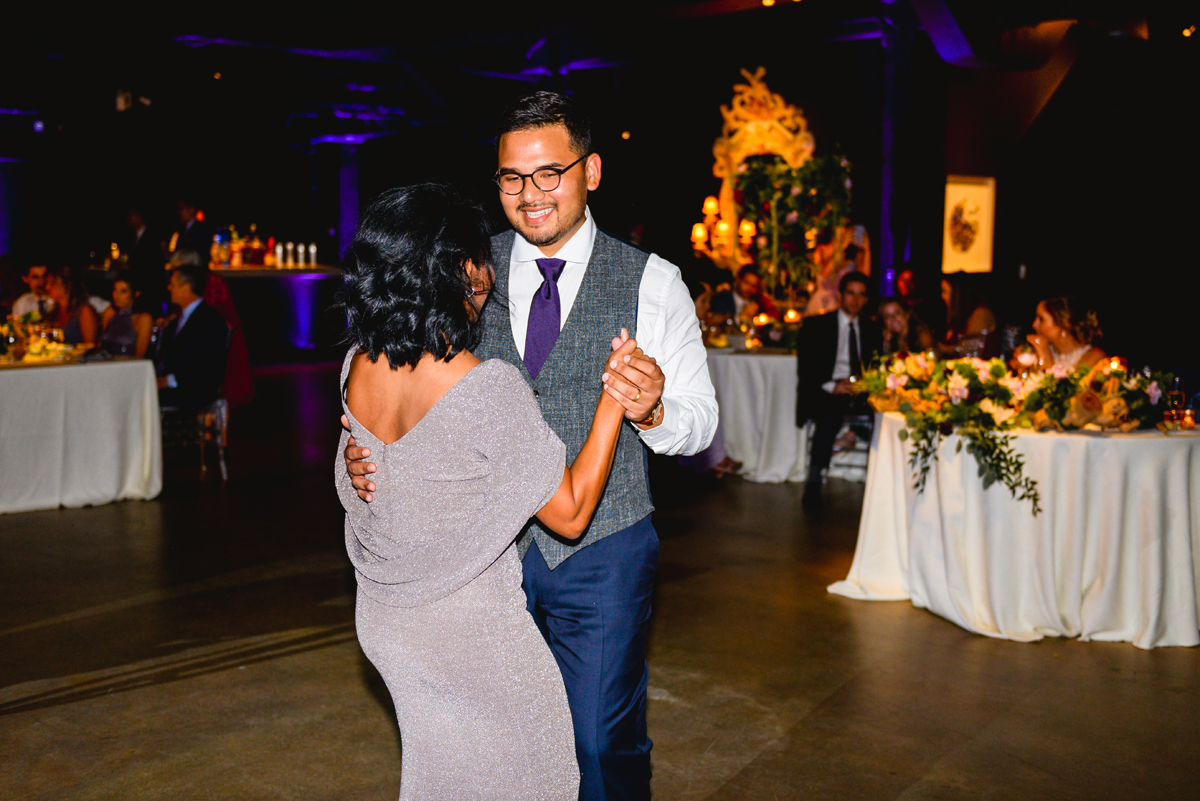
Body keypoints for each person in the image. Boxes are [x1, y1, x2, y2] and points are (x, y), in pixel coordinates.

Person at [343, 91, 718, 800]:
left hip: (600, 548)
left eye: (550, 172)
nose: (530, 193)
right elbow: (403, 379)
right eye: (512, 177)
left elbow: (700, 423)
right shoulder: (465, 270)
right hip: (482, 560)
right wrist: (361, 457)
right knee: (499, 742)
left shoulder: (654, 281)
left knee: (600, 742)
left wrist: (656, 406)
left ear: (592, 170)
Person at [338, 183, 647, 799]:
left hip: (388, 627)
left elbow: (378, 476)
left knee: (440, 778)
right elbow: (571, 512)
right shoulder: (487, 389)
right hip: (472, 636)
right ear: (458, 270)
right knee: (535, 777)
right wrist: (611, 402)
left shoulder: (356, 366)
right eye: (480, 257)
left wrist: (357, 462)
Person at [795, 271, 880, 510]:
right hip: (827, 387)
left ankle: (882, 480)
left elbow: (877, 368)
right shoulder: (817, 324)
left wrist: (862, 385)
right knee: (829, 414)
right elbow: (807, 368)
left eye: (862, 295)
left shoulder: (872, 329)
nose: (855, 300)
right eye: (850, 293)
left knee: (884, 412)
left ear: (867, 299)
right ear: (841, 295)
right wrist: (834, 385)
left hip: (861, 389)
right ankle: (814, 478)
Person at [155, 256, 229, 410]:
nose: (169, 288)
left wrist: (167, 380)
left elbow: (208, 370)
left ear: (186, 288)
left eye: (173, 285)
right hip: (175, 388)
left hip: (192, 393)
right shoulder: (176, 319)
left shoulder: (210, 321)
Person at [1025, 295, 1106, 370]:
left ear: (1063, 324)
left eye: (1041, 319)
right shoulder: (1037, 353)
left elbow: (1070, 385)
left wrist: (1046, 356)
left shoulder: (1094, 358)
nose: (1034, 325)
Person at [938, 272, 998, 358]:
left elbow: (968, 351)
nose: (942, 296)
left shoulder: (980, 314)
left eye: (945, 291)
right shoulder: (960, 317)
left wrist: (937, 347)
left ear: (957, 294)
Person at [99, 274, 154, 357]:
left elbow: (140, 356)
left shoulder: (143, 318)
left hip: (128, 366)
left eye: (123, 291)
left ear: (135, 293)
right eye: (115, 290)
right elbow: (100, 345)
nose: (116, 295)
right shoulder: (110, 312)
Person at [43, 265, 98, 345]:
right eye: (47, 283)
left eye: (52, 283)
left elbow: (90, 348)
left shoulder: (84, 312)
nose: (47, 287)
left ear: (68, 284)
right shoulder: (53, 312)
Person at [709, 265, 778, 323]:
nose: (749, 288)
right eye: (747, 283)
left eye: (754, 285)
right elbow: (716, 324)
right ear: (738, 280)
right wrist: (741, 318)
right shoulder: (722, 300)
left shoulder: (758, 304)